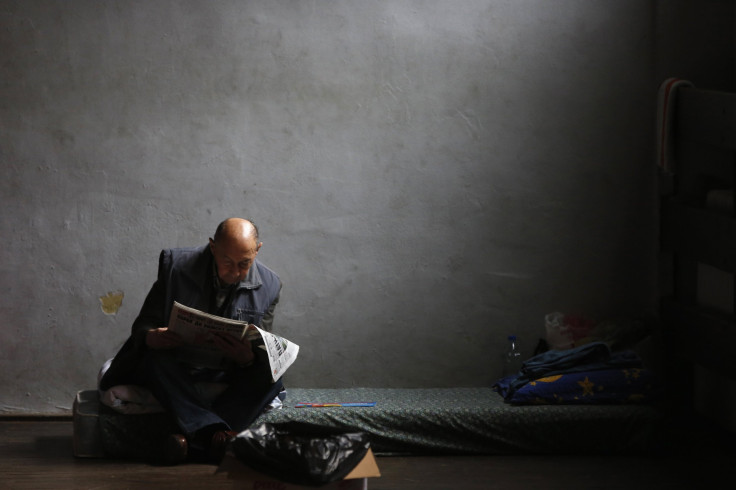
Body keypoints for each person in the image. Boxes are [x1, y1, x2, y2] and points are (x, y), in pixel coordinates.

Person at [99, 218, 284, 464]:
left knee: (272, 376)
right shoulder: (176, 267)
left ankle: (199, 441)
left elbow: (262, 348)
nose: (235, 272)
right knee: (152, 360)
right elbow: (143, 325)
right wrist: (152, 337)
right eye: (227, 262)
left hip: (223, 370)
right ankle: (216, 439)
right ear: (212, 247)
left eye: (245, 263)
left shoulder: (270, 285)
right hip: (176, 366)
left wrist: (248, 358)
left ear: (257, 250)